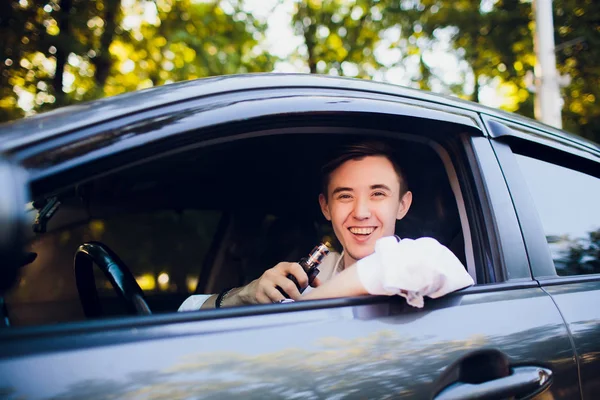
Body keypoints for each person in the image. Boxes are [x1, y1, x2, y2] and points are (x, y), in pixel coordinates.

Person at [179, 141, 473, 311]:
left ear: (402, 205)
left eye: (378, 194)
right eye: (345, 196)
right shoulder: (310, 273)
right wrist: (246, 294)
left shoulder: (420, 258)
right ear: (326, 207)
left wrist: (295, 311)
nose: (360, 212)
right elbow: (187, 310)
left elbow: (421, 264)